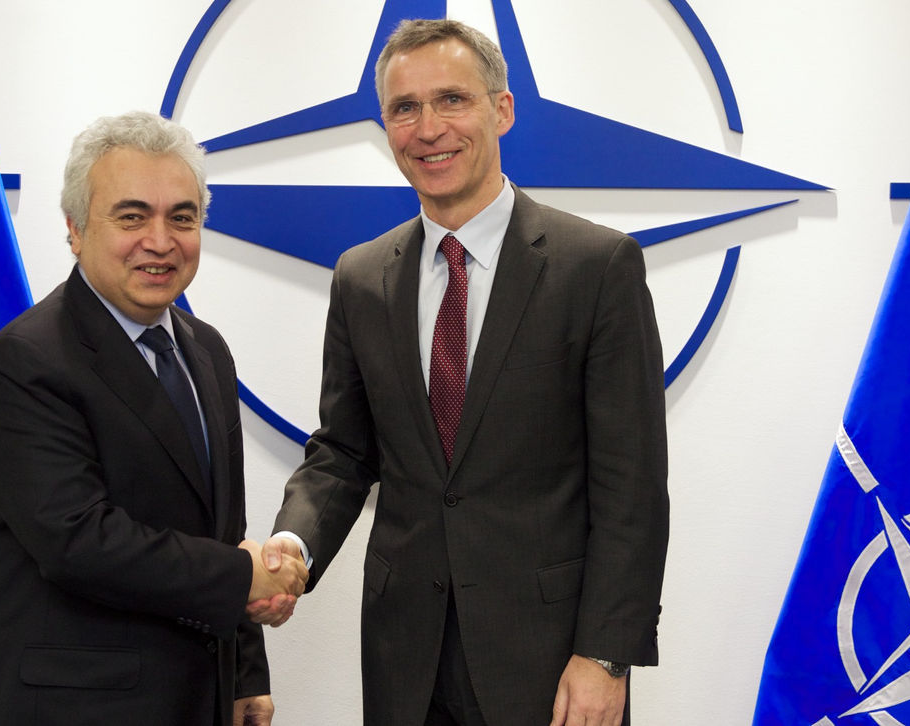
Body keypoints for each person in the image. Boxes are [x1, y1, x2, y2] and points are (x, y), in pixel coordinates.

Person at [251, 19, 669, 726]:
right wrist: (292, 545)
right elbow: (343, 453)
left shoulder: (597, 266)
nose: (428, 128)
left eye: (452, 99)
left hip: (551, 663)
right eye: (404, 108)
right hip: (405, 659)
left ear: (501, 110)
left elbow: (631, 486)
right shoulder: (361, 277)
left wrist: (606, 655)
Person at [0, 111, 307, 726]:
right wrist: (243, 575)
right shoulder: (25, 360)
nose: (160, 241)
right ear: (75, 228)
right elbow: (78, 541)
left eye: (182, 218)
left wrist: (245, 672)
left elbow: (222, 528)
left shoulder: (206, 350)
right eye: (132, 216)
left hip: (197, 701)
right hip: (66, 710)